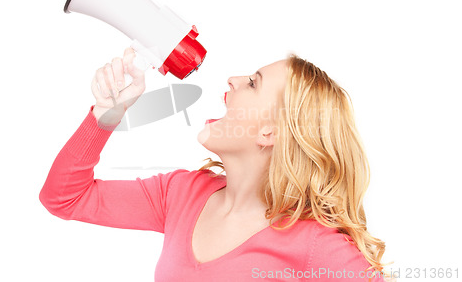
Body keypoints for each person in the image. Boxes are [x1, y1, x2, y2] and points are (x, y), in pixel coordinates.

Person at [39, 47, 391, 281]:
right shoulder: (181, 193)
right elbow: (65, 198)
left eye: (253, 83)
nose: (234, 80)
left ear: (271, 131)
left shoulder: (314, 242)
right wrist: (104, 114)